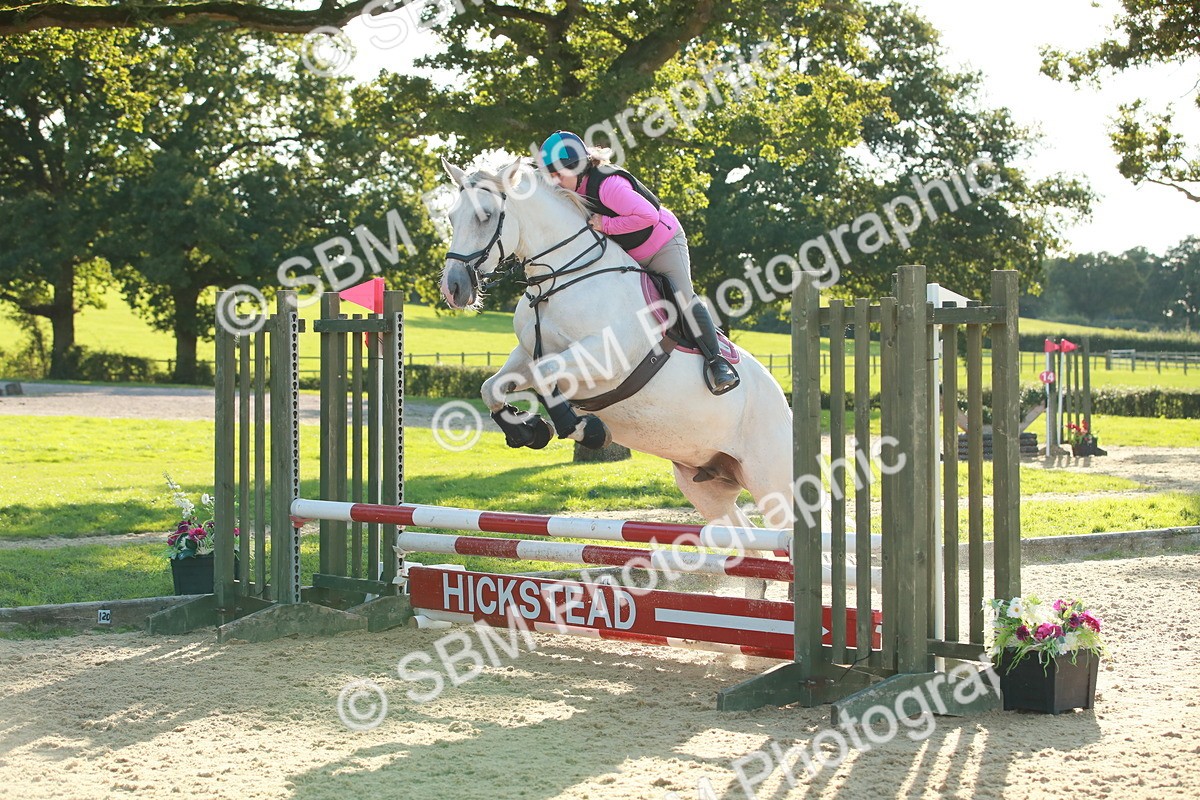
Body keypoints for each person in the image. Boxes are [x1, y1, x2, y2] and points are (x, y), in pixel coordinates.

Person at [538, 130, 740, 395]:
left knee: (682, 298)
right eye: (550, 174)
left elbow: (648, 216)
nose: (554, 180)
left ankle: (717, 362)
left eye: (558, 173)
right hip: (630, 252)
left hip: (663, 244)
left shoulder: (608, 185)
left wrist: (605, 224)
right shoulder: (573, 190)